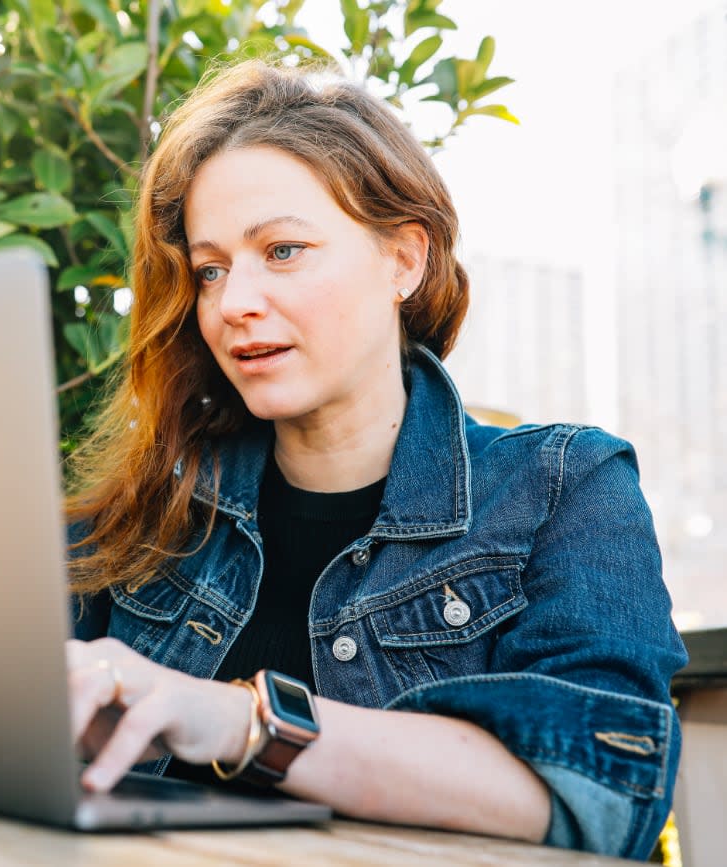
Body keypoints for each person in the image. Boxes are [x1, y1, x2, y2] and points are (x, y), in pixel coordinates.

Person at [63, 58, 687, 860]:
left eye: (282, 251)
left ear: (405, 260)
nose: (233, 302)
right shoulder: (150, 508)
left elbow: (602, 792)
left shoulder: (560, 487)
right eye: (210, 269)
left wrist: (244, 719)